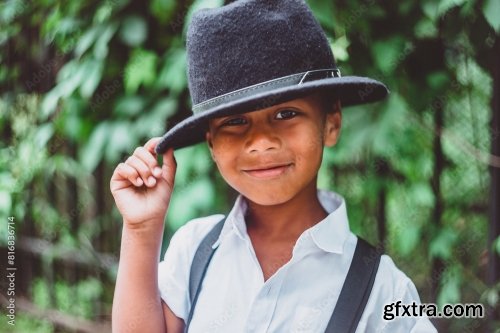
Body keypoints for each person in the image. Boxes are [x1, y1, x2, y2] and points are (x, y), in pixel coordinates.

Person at [110, 0, 437, 332]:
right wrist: (140, 229)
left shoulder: (383, 290)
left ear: (331, 123)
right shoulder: (194, 251)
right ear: (211, 142)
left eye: (286, 114)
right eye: (235, 122)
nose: (261, 141)